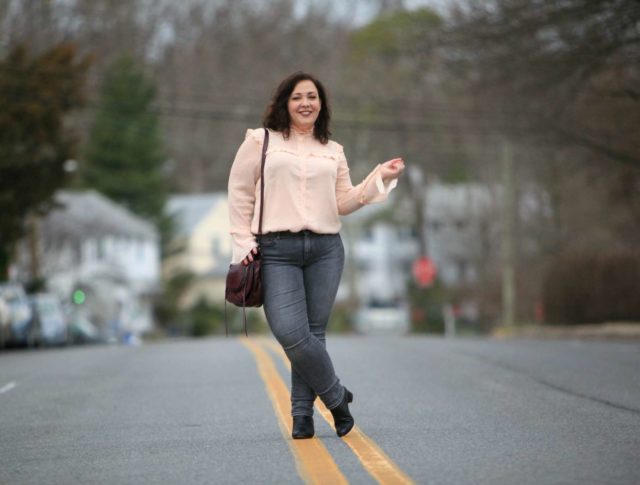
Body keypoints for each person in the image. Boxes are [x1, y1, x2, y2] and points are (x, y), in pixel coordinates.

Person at [228, 72, 405, 439]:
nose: (305, 103)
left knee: (312, 334)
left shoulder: (332, 150)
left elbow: (343, 201)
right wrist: (243, 241)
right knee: (292, 333)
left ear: (321, 103)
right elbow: (240, 192)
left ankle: (302, 418)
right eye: (297, 97)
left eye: (312, 96)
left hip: (326, 249)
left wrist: (380, 178)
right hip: (276, 250)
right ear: (284, 103)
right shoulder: (261, 141)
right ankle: (337, 397)